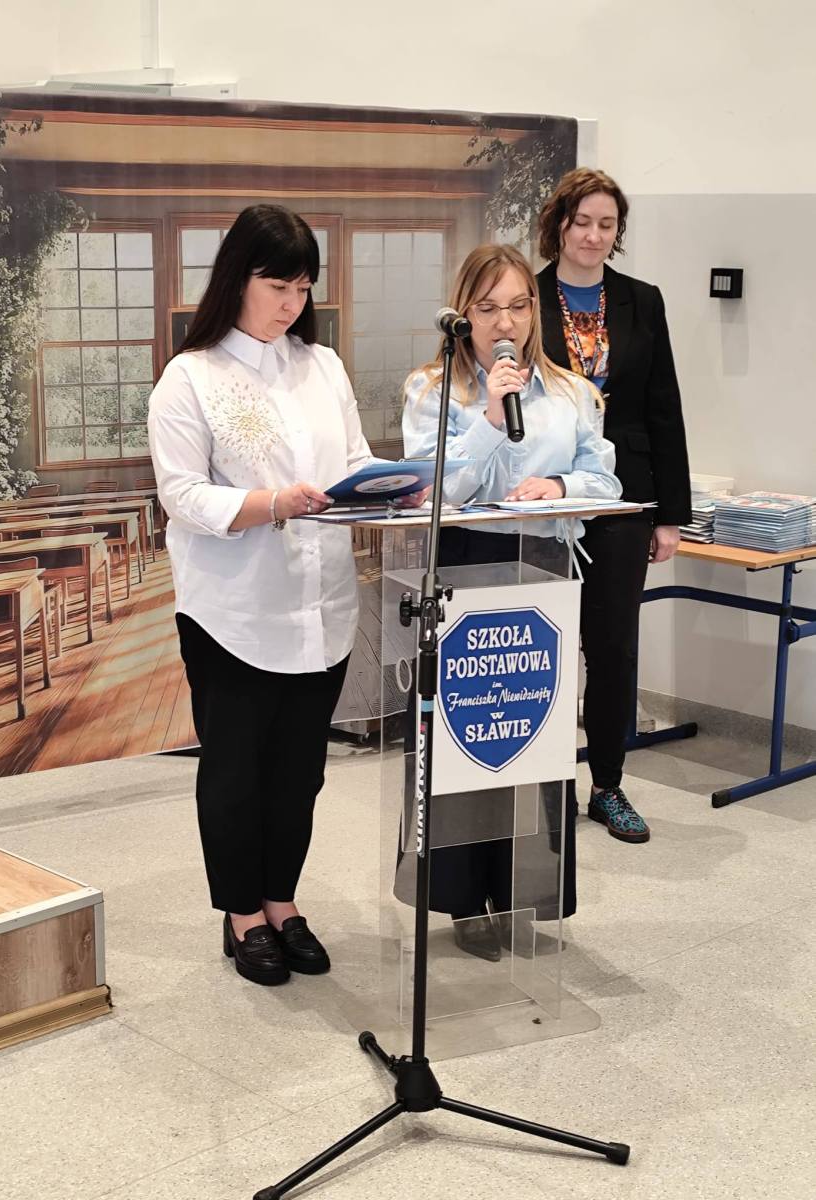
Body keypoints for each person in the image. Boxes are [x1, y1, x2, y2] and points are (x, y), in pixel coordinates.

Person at [148, 204, 375, 987]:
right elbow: (182, 495)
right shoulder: (192, 376)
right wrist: (272, 504)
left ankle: (282, 901)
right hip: (232, 613)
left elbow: (354, 460)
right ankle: (242, 913)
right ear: (237, 278)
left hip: (321, 605)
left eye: (303, 288)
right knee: (236, 771)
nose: (291, 303)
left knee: (300, 772)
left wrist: (381, 488)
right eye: (278, 286)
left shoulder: (323, 366)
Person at [400, 243, 621, 960]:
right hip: (467, 565)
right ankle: (464, 899)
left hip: (544, 569)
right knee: (468, 731)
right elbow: (432, 489)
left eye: (519, 306)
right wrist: (490, 419)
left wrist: (559, 487)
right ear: (464, 314)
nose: (506, 322)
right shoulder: (431, 391)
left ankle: (528, 892)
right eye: (489, 307)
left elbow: (603, 480)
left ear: (535, 311)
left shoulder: (570, 390)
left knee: (534, 730)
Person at [537, 168, 691, 844]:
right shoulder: (526, 297)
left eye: (607, 225)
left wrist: (670, 514)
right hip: (544, 493)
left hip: (626, 496)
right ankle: (545, 786)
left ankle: (607, 785)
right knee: (543, 642)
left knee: (613, 647)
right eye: (583, 223)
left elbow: (664, 406)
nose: (594, 236)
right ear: (559, 226)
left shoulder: (641, 301)